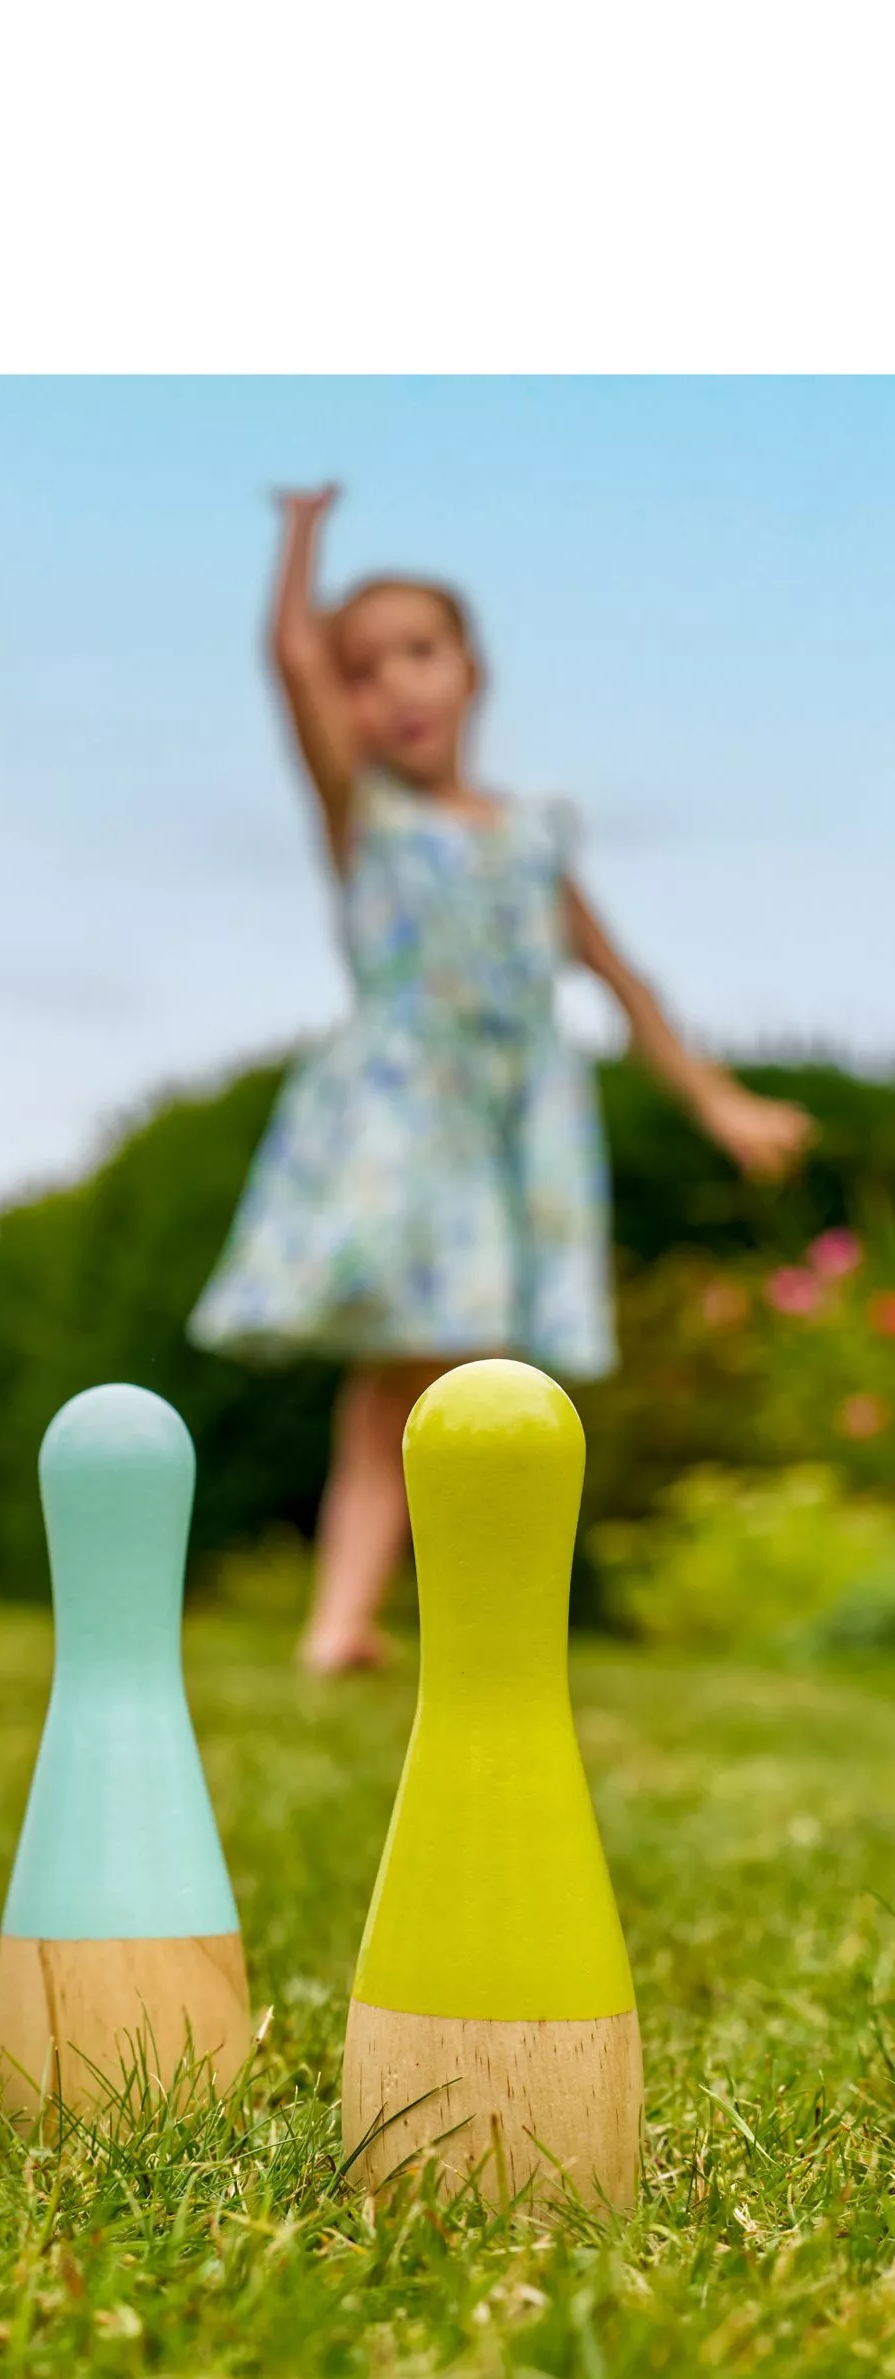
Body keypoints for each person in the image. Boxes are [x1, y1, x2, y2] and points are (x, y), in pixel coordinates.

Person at [190, 485, 814, 1676]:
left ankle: (463, 1620)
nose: (396, 687)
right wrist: (300, 536)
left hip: (514, 1121)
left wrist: (719, 1098)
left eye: (420, 653)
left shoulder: (532, 834)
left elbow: (620, 980)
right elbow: (288, 665)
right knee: (397, 1376)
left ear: (472, 668)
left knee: (486, 1377)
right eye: (363, 670)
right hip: (402, 1113)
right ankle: (339, 1619)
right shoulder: (363, 815)